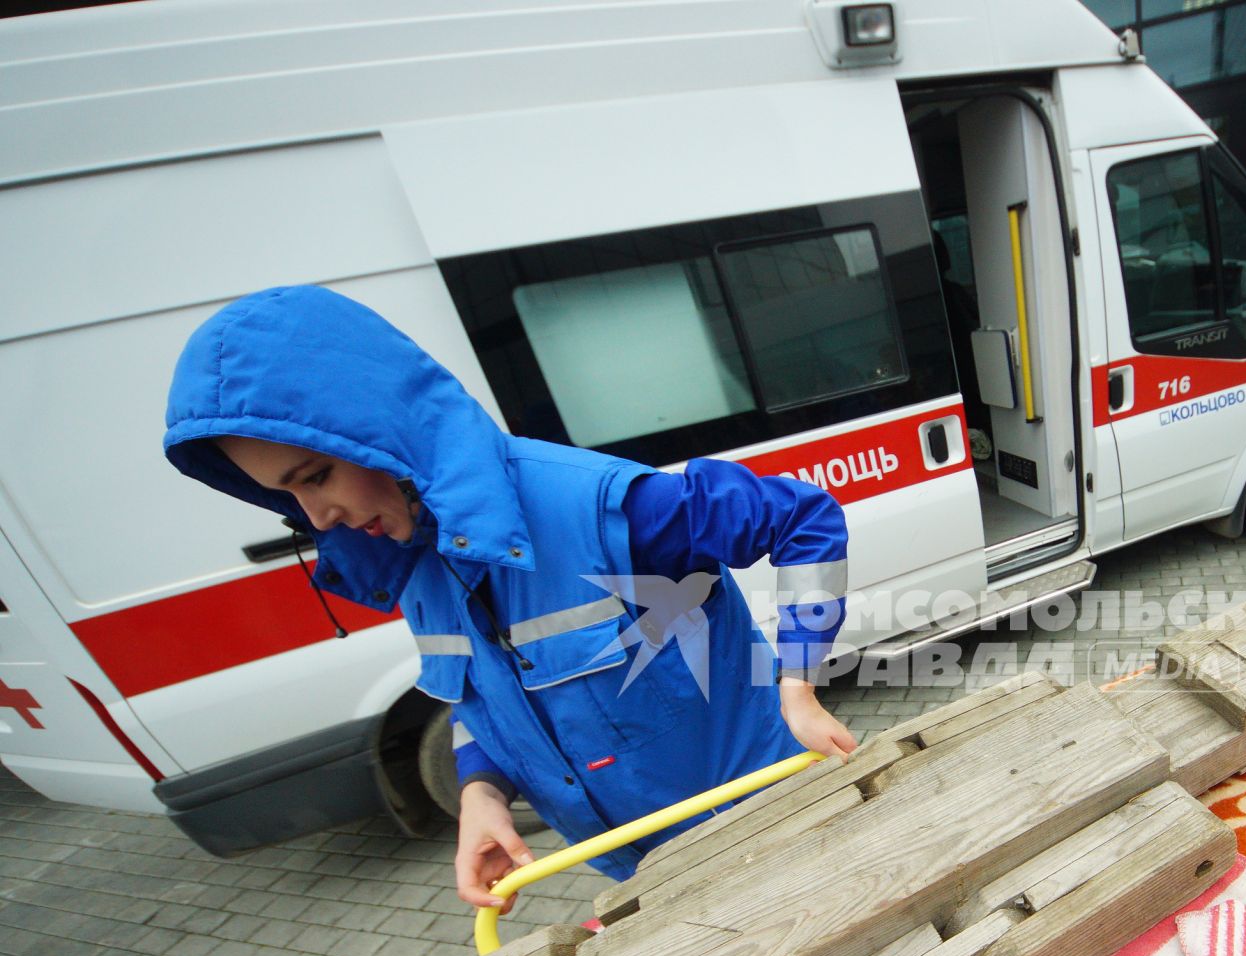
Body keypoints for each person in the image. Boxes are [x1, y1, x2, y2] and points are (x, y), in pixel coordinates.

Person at [163, 285, 858, 909]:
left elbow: (804, 521)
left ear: (384, 431)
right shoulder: (413, 566)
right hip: (652, 877)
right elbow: (479, 700)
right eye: (285, 495)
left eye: (316, 475)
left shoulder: (598, 509)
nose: (317, 518)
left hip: (776, 833)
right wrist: (481, 795)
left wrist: (797, 687)